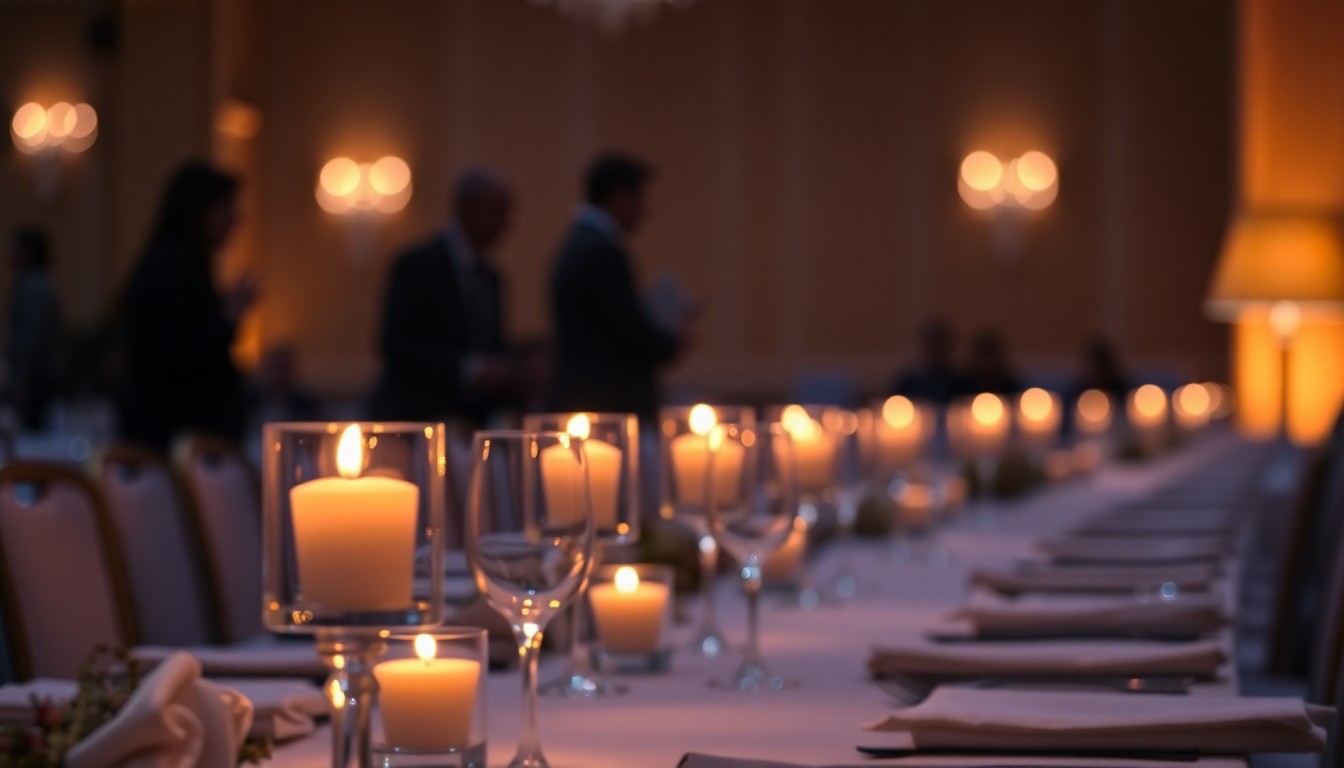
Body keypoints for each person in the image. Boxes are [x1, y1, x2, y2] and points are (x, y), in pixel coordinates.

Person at [369, 168, 539, 426]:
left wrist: (520, 365)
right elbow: (396, 344)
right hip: (417, 417)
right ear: (468, 208)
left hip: (470, 422)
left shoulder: (491, 277)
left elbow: (488, 343)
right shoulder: (417, 264)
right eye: (498, 211)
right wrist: (471, 368)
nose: (507, 224)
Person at [118, 163, 257, 452]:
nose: (234, 218)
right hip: (173, 442)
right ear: (199, 211)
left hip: (182, 439)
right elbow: (177, 355)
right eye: (225, 207)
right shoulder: (169, 268)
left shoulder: (183, 264)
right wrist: (228, 316)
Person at [549, 152, 690, 423]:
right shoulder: (600, 250)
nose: (645, 211)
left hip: (589, 400)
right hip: (604, 407)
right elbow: (631, 330)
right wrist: (674, 339)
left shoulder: (580, 243)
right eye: (639, 199)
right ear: (618, 197)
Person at [3, 228, 60, 430]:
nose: (8, 252)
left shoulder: (34, 286)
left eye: (14, 247)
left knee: (32, 435)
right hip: (36, 377)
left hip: (34, 379)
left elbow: (30, 340)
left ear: (27, 252)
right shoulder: (35, 283)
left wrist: (21, 383)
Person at [889, 317, 969, 407]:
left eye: (939, 343)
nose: (934, 349)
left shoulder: (963, 385)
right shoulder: (906, 385)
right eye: (929, 343)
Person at [964, 331, 1022, 395]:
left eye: (991, 360)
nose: (988, 365)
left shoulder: (1011, 388)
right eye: (984, 360)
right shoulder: (964, 388)